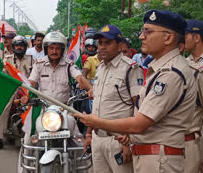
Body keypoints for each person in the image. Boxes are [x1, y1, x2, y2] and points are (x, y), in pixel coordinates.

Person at [74, 10, 197, 173]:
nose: (141, 36)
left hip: (158, 159)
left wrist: (97, 122)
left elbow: (139, 123)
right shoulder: (160, 69)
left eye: (148, 31)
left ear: (168, 38)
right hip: (144, 152)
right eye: (143, 31)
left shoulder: (171, 73)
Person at [19, 31, 92, 173]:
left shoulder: (69, 65)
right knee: (29, 140)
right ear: (46, 49)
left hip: (65, 111)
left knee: (78, 141)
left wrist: (90, 89)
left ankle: (83, 169)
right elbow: (31, 83)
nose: (54, 51)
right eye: (51, 48)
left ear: (62, 50)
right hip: (44, 111)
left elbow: (79, 78)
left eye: (57, 48)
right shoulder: (39, 65)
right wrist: (26, 95)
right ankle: (26, 170)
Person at [83, 25, 144, 173]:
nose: (102, 47)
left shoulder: (131, 69)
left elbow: (139, 107)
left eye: (107, 43)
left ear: (119, 45)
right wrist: (89, 134)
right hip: (98, 139)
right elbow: (97, 104)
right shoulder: (100, 68)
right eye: (100, 43)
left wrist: (128, 141)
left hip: (118, 140)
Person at [0, 35, 33, 152]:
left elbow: (34, 76)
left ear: (25, 47)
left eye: (21, 45)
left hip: (28, 89)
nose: (19, 48)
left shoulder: (31, 59)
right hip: (12, 88)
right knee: (3, 108)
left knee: (34, 107)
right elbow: (4, 75)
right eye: (17, 45)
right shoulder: (7, 59)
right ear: (13, 47)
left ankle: (30, 137)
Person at [184, 19, 203, 172]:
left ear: (196, 38)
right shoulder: (184, 63)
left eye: (185, 35)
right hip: (179, 139)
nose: (182, 39)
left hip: (196, 139)